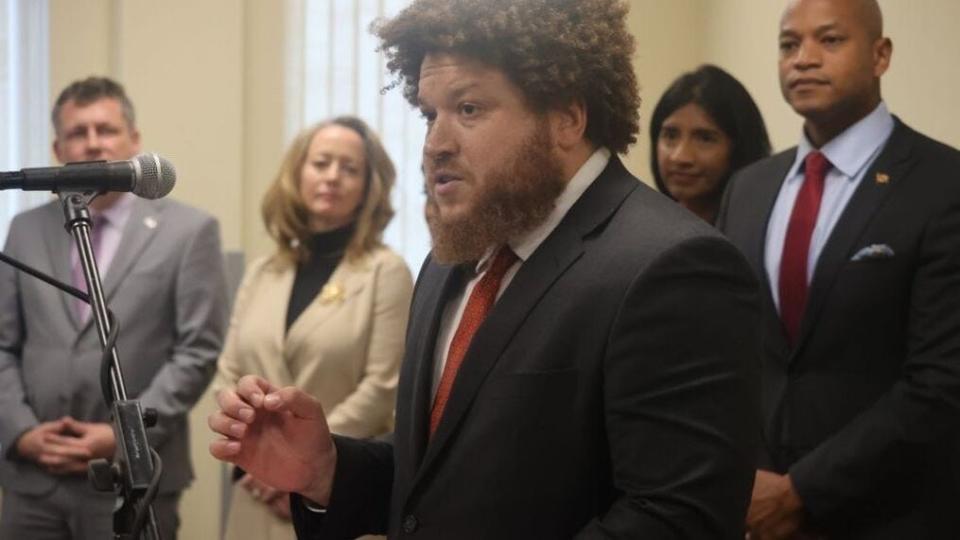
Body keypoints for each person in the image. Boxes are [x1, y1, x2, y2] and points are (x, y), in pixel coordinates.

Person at [211, 1, 762, 537]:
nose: (434, 144)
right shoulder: (452, 262)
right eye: (430, 114)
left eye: (469, 109)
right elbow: (436, 484)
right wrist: (326, 469)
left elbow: (677, 517)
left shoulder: (673, 265)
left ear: (566, 117)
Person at [717, 0, 960, 537]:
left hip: (891, 513)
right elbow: (738, 352)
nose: (803, 59)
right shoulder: (749, 188)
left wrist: (802, 490)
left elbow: (942, 382)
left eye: (829, 41)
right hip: (753, 512)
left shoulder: (944, 184)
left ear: (881, 55)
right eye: (788, 44)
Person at [0, 76, 228, 539]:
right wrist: (21, 432)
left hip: (133, 477)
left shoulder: (189, 231)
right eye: (77, 133)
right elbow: (3, 344)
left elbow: (197, 352)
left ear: (134, 140)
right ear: (57, 147)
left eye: (105, 129)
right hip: (33, 482)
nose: (92, 143)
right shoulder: (24, 229)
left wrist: (122, 435)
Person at [216, 117, 413, 540]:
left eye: (350, 168)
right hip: (254, 492)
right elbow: (229, 370)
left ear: (368, 187)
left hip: (334, 495)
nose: (333, 177)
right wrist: (256, 455)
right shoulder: (263, 271)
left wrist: (305, 462)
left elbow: (382, 388)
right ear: (297, 173)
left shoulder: (386, 272)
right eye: (321, 163)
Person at [650, 64, 771, 224]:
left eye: (705, 138)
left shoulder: (763, 231)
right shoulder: (643, 229)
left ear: (739, 148)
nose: (680, 157)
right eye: (671, 135)